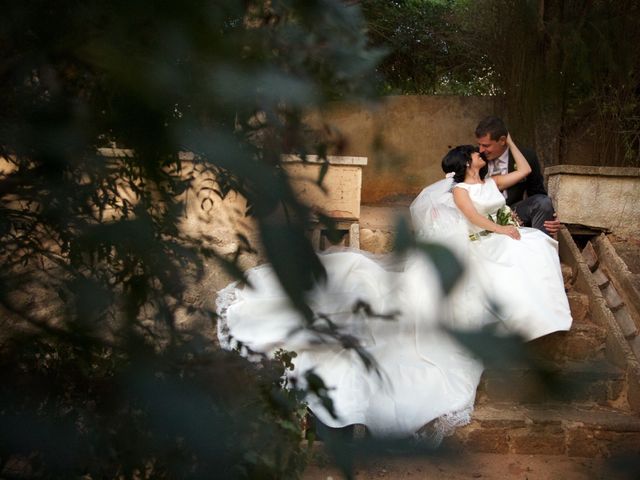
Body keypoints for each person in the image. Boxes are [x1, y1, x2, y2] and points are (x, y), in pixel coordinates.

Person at [216, 137, 572, 441]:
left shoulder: (490, 184)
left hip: (488, 242)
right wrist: (502, 230)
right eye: (478, 153)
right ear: (467, 162)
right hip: (481, 241)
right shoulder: (460, 190)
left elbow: (524, 172)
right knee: (519, 250)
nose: (484, 156)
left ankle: (536, 314)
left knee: (535, 246)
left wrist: (509, 140)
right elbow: (473, 218)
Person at [475, 116, 561, 236]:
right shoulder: (474, 157)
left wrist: (550, 215)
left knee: (543, 203)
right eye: (479, 144)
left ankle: (540, 250)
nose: (481, 150)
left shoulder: (526, 156)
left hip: (513, 212)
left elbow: (537, 192)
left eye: (486, 145)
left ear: (503, 140)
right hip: (481, 214)